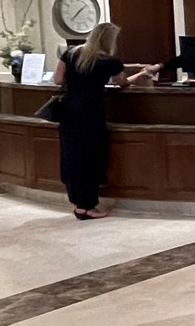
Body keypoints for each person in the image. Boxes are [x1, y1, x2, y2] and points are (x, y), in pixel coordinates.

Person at [52, 23, 153, 219]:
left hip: (69, 111)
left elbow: (58, 79)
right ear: (109, 40)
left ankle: (78, 203)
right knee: (90, 158)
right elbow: (122, 83)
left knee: (72, 157)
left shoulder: (71, 54)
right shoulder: (110, 62)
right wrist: (141, 74)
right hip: (91, 113)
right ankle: (87, 206)